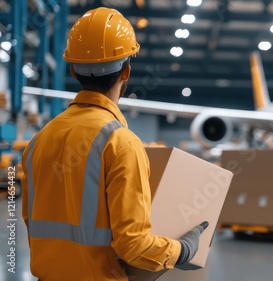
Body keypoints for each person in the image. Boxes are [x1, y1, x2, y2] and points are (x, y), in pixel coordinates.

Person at [21, 7, 207, 280]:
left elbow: (31, 221)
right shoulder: (120, 143)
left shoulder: (37, 142)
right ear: (126, 72)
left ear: (73, 69)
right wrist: (182, 250)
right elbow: (133, 246)